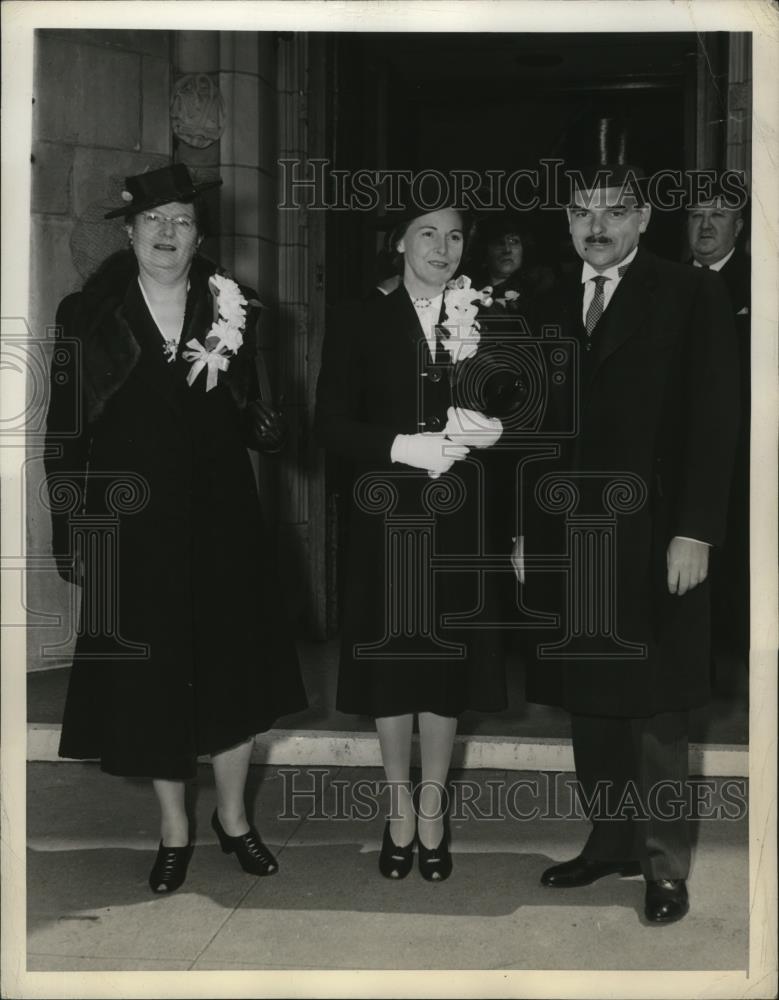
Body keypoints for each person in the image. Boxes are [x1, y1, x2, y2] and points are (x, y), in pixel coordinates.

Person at [44, 164, 307, 895]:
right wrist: (69, 525)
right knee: (153, 680)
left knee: (231, 670)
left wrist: (269, 426)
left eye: (182, 221)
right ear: (128, 232)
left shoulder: (236, 306)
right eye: (153, 220)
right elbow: (62, 431)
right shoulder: (86, 315)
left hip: (223, 516)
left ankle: (233, 818)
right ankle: (174, 827)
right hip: (132, 524)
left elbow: (257, 414)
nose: (167, 233)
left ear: (199, 236)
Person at [518, 130, 739, 924]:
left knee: (655, 709)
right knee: (591, 701)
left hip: (656, 536)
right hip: (567, 541)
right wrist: (520, 534)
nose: (596, 224)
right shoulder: (544, 305)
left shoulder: (688, 294)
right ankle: (609, 841)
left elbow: (715, 422)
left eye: (614, 210)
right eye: (581, 211)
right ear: (567, 222)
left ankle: (662, 865)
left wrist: (697, 530)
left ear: (643, 218)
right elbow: (532, 434)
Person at [315, 205, 506, 882]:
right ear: (398, 241)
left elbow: (520, 408)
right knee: (393, 668)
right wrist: (398, 444)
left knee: (445, 669)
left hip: (459, 523)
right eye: (427, 233)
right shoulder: (358, 317)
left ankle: (434, 810)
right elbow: (330, 424)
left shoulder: (487, 317)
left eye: (454, 236)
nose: (442, 247)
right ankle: (397, 808)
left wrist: (497, 430)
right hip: (385, 517)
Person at [686, 179, 751, 667]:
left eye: (719, 216)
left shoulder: (759, 282)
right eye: (696, 215)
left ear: (739, 227)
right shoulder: (665, 282)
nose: (706, 225)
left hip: (743, 449)